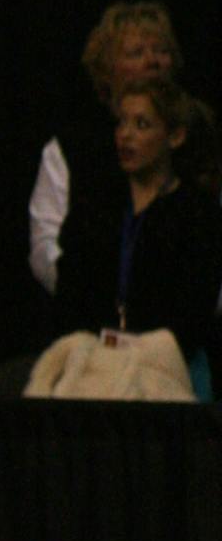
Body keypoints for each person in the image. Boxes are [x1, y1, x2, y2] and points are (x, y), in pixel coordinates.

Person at [50, 75, 222, 382]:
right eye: (121, 123)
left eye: (141, 125)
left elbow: (195, 311)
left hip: (167, 370)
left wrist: (142, 354)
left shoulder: (197, 213)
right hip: (94, 364)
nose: (125, 135)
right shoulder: (96, 205)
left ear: (175, 136)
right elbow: (70, 289)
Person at [28, 1, 183, 304]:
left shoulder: (200, 142)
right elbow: (45, 246)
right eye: (137, 53)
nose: (152, 62)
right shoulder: (71, 148)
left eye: (161, 51)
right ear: (107, 70)